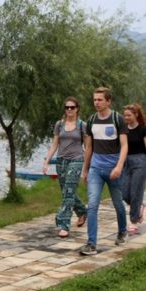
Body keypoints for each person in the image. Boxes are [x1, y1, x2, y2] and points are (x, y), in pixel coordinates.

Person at [79, 87, 129, 255]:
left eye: (100, 99)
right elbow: (89, 147)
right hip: (96, 168)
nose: (96, 103)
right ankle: (91, 243)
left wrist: (119, 166)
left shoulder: (117, 119)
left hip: (114, 169)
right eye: (94, 99)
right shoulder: (91, 120)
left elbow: (124, 146)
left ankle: (122, 231)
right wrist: (85, 170)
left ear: (108, 101)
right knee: (92, 205)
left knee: (118, 203)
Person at [42, 96, 87, 238]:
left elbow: (87, 146)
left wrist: (88, 164)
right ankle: (82, 211)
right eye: (67, 107)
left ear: (77, 109)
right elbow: (55, 144)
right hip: (61, 161)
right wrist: (47, 161)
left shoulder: (82, 125)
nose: (69, 110)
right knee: (66, 191)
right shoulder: (59, 124)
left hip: (76, 160)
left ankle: (63, 224)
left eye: (72, 107)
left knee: (69, 191)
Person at [121, 103, 146, 233]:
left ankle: (133, 221)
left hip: (140, 161)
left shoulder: (142, 129)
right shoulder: (123, 129)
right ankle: (138, 207)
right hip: (126, 162)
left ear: (136, 115)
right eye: (125, 115)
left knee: (135, 192)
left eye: (129, 115)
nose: (126, 117)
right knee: (123, 193)